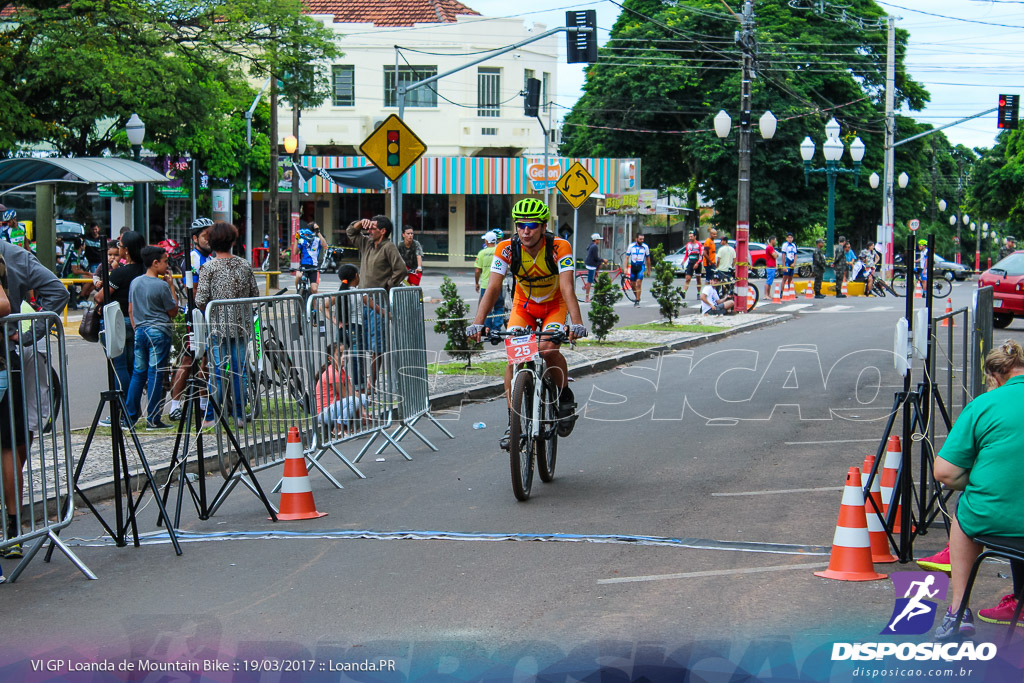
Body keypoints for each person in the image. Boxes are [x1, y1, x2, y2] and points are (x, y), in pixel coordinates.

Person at [466, 198, 587, 449]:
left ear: (543, 227)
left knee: (547, 349)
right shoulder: (506, 248)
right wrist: (477, 323)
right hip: (524, 306)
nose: (526, 230)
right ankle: (514, 421)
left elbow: (567, 287)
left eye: (532, 225)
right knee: (515, 357)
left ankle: (564, 394)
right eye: (521, 225)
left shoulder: (559, 247)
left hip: (555, 305)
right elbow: (494, 287)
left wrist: (576, 323)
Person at [932, 340, 1024, 639]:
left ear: (995, 377)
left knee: (967, 507)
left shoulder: (984, 404)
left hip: (994, 520)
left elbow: (944, 472)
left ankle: (958, 610)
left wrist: (982, 481)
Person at [0, 238, 67, 560]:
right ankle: (12, 530)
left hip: (8, 359)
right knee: (11, 446)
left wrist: (24, 335)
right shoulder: (9, 253)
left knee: (12, 445)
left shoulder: (9, 254)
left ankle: (11, 529)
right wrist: (22, 335)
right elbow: (57, 291)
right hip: (5, 358)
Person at [195, 222, 259, 428]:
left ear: (212, 242)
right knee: (239, 372)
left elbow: (201, 299)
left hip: (217, 326)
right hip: (241, 326)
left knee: (218, 372)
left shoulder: (208, 267)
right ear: (233, 241)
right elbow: (254, 294)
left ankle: (212, 416)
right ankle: (239, 415)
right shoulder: (244, 264)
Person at [345, 215, 407, 382]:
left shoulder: (389, 247)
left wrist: (387, 286)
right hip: (361, 300)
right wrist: (360, 222)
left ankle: (372, 382)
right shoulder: (367, 244)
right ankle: (361, 382)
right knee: (360, 341)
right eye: (368, 227)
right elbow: (351, 232)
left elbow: (401, 270)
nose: (369, 230)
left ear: (383, 231)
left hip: (377, 301)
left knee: (376, 344)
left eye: (373, 228)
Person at [124, 246, 179, 429]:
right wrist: (171, 286)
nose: (167, 265)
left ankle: (129, 416)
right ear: (155, 263)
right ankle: (153, 418)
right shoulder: (161, 285)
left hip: (140, 331)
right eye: (165, 261)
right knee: (155, 374)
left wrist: (136, 327)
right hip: (159, 332)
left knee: (138, 374)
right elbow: (173, 311)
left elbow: (131, 309)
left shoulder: (135, 282)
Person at [96, 231, 146, 418]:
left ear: (127, 250)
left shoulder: (120, 273)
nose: (119, 248)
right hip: (138, 322)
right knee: (134, 368)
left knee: (120, 369)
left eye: (121, 245)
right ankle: (133, 408)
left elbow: (101, 297)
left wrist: (98, 290)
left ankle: (122, 410)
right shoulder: (145, 271)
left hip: (119, 322)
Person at [315, 340, 366, 436]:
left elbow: (353, 392)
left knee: (363, 398)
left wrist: (363, 412)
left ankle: (349, 427)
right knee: (354, 401)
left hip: (337, 408)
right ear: (330, 358)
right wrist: (361, 411)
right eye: (340, 355)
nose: (344, 357)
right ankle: (338, 428)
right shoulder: (332, 374)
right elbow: (346, 396)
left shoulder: (341, 371)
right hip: (325, 413)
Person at [474, 231, 505, 330]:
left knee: (486, 307)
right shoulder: (499, 251)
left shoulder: (482, 253)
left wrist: (476, 283)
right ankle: (496, 329)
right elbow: (505, 269)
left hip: (485, 285)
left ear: (487, 241)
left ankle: (487, 328)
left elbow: (477, 270)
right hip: (498, 285)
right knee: (499, 307)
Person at [295, 224, 327, 295]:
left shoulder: (317, 240)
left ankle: (315, 306)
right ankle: (297, 291)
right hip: (304, 266)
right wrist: (296, 239)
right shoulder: (303, 241)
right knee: (298, 276)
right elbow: (295, 252)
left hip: (314, 267)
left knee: (314, 289)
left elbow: (325, 245)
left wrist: (318, 232)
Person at [625, 233, 652, 307]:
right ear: (636, 239)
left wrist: (649, 270)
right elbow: (627, 257)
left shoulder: (645, 247)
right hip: (633, 266)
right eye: (640, 239)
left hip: (641, 266)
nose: (642, 240)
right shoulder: (631, 246)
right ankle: (637, 297)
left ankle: (637, 301)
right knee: (633, 284)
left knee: (638, 283)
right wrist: (625, 268)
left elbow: (648, 258)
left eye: (643, 239)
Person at [582, 232, 607, 303]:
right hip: (591, 265)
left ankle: (595, 276)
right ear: (595, 240)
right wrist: (603, 260)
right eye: (598, 240)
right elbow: (596, 257)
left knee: (600, 263)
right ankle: (587, 298)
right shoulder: (594, 247)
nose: (599, 241)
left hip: (590, 263)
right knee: (589, 282)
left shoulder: (591, 245)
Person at [680, 232, 703, 299]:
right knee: (688, 278)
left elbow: (701, 256)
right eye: (689, 237)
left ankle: (698, 293)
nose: (690, 238)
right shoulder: (688, 245)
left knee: (698, 278)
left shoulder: (699, 244)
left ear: (695, 236)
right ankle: (684, 292)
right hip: (690, 262)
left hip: (697, 262)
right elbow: (687, 254)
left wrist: (697, 263)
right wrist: (683, 261)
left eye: (691, 236)